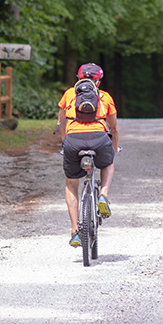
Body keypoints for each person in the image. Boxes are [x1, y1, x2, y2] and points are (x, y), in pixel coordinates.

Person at [57, 63, 119, 248]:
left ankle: (75, 231)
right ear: (98, 82)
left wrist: (65, 144)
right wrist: (113, 149)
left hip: (73, 141)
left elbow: (61, 122)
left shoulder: (69, 94)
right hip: (99, 140)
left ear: (79, 79)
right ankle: (103, 196)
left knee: (71, 182)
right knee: (108, 162)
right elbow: (114, 128)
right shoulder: (104, 97)